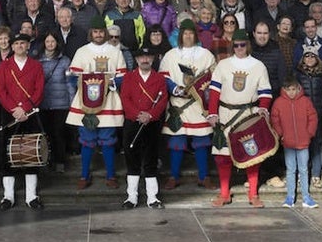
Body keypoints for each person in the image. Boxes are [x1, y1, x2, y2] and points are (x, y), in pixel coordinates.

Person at [207, 29, 273, 208]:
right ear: (232, 46)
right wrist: (212, 113)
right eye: (235, 45)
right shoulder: (223, 65)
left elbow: (265, 93)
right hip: (226, 114)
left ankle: (253, 193)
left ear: (248, 45)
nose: (239, 48)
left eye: (242, 45)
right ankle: (224, 193)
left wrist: (263, 108)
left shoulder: (258, 66)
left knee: (252, 154)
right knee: (223, 156)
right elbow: (214, 92)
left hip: (247, 116)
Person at [66, 15, 126, 190]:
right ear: (91, 33)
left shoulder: (115, 51)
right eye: (96, 32)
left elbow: (123, 75)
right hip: (86, 102)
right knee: (86, 139)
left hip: (109, 100)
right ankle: (84, 175)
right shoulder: (82, 51)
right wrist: (84, 85)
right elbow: (72, 76)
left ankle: (111, 175)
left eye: (101, 31)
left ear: (105, 33)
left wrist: (110, 84)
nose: (99, 34)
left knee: (108, 139)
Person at [160, 19, 216, 190]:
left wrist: (200, 91)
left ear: (195, 35)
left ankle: (204, 176)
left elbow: (213, 78)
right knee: (177, 141)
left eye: (191, 33)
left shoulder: (206, 55)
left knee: (201, 141)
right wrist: (176, 89)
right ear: (180, 35)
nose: (188, 36)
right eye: (185, 33)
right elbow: (164, 77)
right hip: (179, 104)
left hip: (199, 105)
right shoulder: (171, 55)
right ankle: (174, 176)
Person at [0, 33, 45, 210]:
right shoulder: (4, 66)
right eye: (15, 43)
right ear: (11, 46)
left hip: (30, 113)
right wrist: (14, 110)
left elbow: (39, 89)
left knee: (31, 151)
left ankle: (31, 196)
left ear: (28, 46)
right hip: (10, 114)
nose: (19, 46)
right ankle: (8, 196)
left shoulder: (36, 65)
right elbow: (0, 90)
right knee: (7, 153)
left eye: (22, 43)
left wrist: (25, 108)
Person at [120, 46, 169, 209]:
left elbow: (162, 101)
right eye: (141, 57)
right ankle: (131, 197)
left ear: (153, 59)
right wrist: (137, 115)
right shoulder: (128, 77)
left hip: (152, 123)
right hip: (132, 122)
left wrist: (150, 115)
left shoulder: (159, 79)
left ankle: (152, 197)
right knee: (132, 159)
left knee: (151, 159)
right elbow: (125, 98)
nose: (145, 60)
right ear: (136, 60)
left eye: (148, 57)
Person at [271, 77, 319, 208]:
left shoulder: (305, 101)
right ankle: (290, 197)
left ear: (298, 89)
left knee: (303, 169)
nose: (291, 92)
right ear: (284, 90)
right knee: (291, 169)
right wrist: (280, 134)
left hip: (303, 142)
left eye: (294, 89)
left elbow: (313, 118)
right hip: (288, 142)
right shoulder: (279, 102)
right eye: (288, 90)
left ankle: (306, 197)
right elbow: (275, 120)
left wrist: (309, 133)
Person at [38, 31, 75, 173]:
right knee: (46, 134)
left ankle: (60, 161)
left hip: (61, 104)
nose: (50, 44)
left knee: (59, 133)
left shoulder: (65, 61)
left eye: (52, 41)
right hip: (44, 103)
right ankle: (47, 160)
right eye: (47, 42)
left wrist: (72, 103)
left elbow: (70, 84)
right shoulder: (38, 61)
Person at [295, 51, 322, 189]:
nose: (309, 58)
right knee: (303, 144)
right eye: (307, 56)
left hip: (318, 112)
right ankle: (302, 174)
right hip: (302, 114)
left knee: (316, 145)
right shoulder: (297, 74)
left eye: (312, 56)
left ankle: (315, 174)